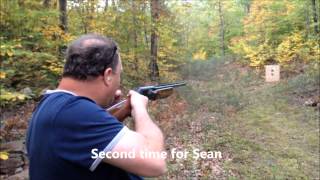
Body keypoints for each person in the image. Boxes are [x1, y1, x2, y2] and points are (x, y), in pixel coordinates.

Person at [26, 34, 166, 180]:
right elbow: (156, 162)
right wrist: (140, 108)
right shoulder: (75, 112)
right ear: (108, 75)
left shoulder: (51, 104)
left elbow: (88, 139)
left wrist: (120, 112)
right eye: (119, 75)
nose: (118, 84)